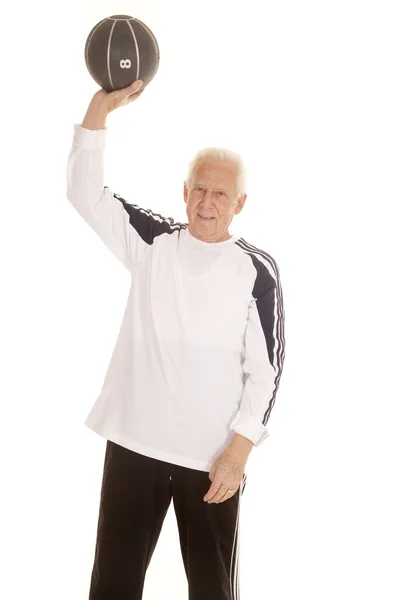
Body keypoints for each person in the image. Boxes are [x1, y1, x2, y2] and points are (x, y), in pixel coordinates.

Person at [66, 79, 286, 600]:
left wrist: (239, 451)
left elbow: (267, 372)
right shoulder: (152, 242)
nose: (207, 202)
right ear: (184, 192)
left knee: (212, 588)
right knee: (113, 586)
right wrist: (100, 109)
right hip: (135, 445)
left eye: (221, 193)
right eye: (200, 189)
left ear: (240, 203)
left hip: (211, 459)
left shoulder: (257, 271)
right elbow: (85, 193)